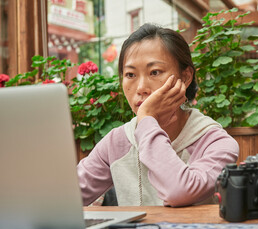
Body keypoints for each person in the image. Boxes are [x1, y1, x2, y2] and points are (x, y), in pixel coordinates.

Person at [77, 23, 239, 207]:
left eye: (155, 72)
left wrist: (147, 119)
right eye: (130, 74)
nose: (141, 88)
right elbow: (65, 197)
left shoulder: (216, 143)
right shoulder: (116, 143)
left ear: (185, 77)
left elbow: (179, 191)